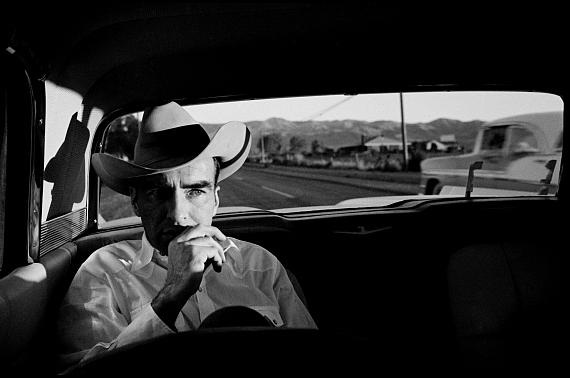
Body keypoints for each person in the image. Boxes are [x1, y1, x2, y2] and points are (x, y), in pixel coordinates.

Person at [57, 102, 316, 368]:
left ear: (215, 199)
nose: (178, 214)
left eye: (195, 191)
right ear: (136, 202)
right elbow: (82, 377)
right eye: (158, 192)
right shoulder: (104, 272)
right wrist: (170, 296)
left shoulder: (259, 265)